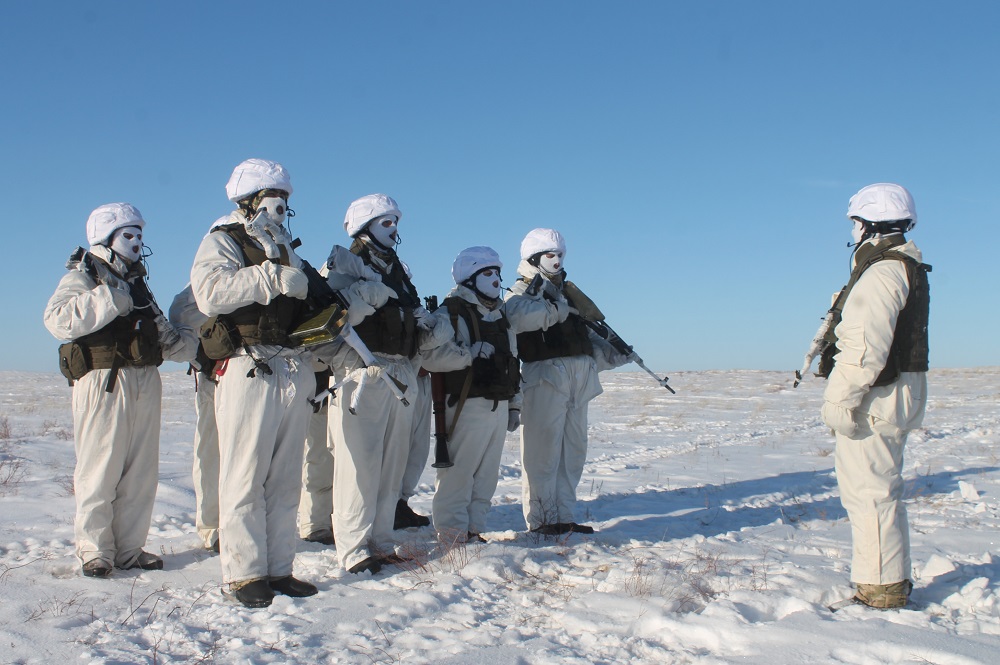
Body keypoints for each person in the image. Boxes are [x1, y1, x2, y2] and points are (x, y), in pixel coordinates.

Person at [189, 158, 319, 608]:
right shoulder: (222, 241)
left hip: (290, 364)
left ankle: (280, 567)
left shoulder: (287, 248)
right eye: (273, 198)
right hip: (247, 365)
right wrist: (270, 277)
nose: (281, 207)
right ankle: (245, 573)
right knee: (244, 473)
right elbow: (210, 293)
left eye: (285, 199)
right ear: (249, 201)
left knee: (285, 477)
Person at [44, 202, 187, 577]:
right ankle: (95, 550)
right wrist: (109, 297)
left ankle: (128, 548)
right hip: (104, 380)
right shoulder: (85, 275)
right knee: (100, 468)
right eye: (128, 234)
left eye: (140, 234)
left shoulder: (138, 282)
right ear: (105, 239)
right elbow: (57, 319)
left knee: (141, 470)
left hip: (144, 379)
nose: (137, 241)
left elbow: (163, 334)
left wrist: (194, 346)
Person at [322, 193, 450, 574]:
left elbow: (409, 316)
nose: (394, 230)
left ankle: (381, 541)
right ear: (364, 228)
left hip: (401, 373)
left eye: (395, 222)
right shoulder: (344, 267)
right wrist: (364, 298)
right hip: (362, 373)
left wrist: (427, 328)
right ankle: (354, 549)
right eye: (385, 222)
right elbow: (331, 319)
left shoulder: (398, 271)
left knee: (390, 468)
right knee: (359, 468)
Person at [819, 183, 930, 609]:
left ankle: (880, 590)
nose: (854, 229)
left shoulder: (882, 270)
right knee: (880, 489)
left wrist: (840, 400)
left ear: (867, 222)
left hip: (877, 396)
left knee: (869, 493)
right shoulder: (900, 265)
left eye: (856, 222)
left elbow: (864, 346)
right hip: (895, 390)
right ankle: (887, 580)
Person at [505, 228, 629, 535]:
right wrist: (554, 310)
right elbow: (516, 318)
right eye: (549, 255)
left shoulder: (569, 293)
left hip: (578, 379)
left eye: (560, 254)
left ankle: (563, 515)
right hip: (545, 377)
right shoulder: (521, 291)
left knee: (573, 451)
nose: (556, 260)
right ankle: (542, 519)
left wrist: (610, 353)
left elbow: (585, 335)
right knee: (542, 452)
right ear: (533, 257)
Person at [422, 247, 523, 543]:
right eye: (487, 273)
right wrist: (468, 355)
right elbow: (430, 357)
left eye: (497, 273)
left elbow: (513, 360)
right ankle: (452, 534)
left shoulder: (501, 316)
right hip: (465, 405)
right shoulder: (450, 313)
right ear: (470, 278)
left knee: (487, 477)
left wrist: (515, 404)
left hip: (498, 405)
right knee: (458, 474)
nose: (495, 279)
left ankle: (474, 530)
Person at [167, 281, 221, 553]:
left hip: (254, 379)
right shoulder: (204, 279)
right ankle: (212, 526)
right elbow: (181, 314)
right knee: (211, 453)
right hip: (214, 378)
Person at [299, 364, 336, 545]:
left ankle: (336, 519)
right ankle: (315, 524)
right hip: (319, 393)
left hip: (346, 394)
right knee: (319, 460)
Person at [394, 371, 432, 530]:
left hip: (424, 378)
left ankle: (402, 502)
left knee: (419, 449)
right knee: (399, 446)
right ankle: (392, 506)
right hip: (403, 374)